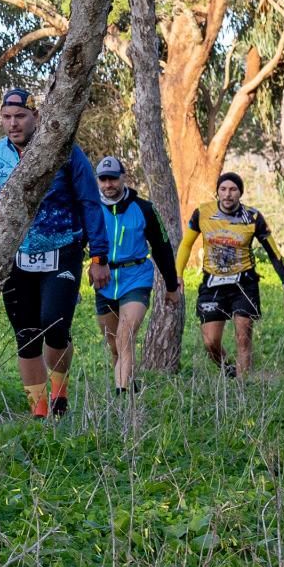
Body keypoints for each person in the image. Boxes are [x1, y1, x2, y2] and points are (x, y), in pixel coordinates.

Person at [0, 88, 110, 418]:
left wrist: (99, 257)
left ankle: (59, 391)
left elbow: (89, 202)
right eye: (7, 117)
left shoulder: (65, 152)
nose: (13, 124)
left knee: (54, 328)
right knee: (26, 336)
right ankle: (41, 416)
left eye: (20, 116)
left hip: (62, 250)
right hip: (15, 257)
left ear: (36, 117)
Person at [175, 171, 284, 376]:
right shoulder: (202, 213)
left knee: (243, 337)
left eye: (233, 190)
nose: (228, 194)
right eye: (223, 189)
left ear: (240, 192)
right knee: (210, 342)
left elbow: (274, 253)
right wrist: (178, 274)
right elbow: (186, 245)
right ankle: (229, 370)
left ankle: (243, 385)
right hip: (212, 283)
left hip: (244, 283)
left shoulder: (253, 217)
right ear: (218, 192)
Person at [94, 157, 180, 394]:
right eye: (103, 179)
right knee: (114, 344)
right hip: (105, 279)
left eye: (113, 178)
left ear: (124, 177)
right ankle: (129, 385)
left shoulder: (144, 209)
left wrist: (172, 286)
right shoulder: (90, 209)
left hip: (136, 276)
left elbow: (162, 247)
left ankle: (121, 397)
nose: (108, 184)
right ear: (97, 181)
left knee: (126, 335)